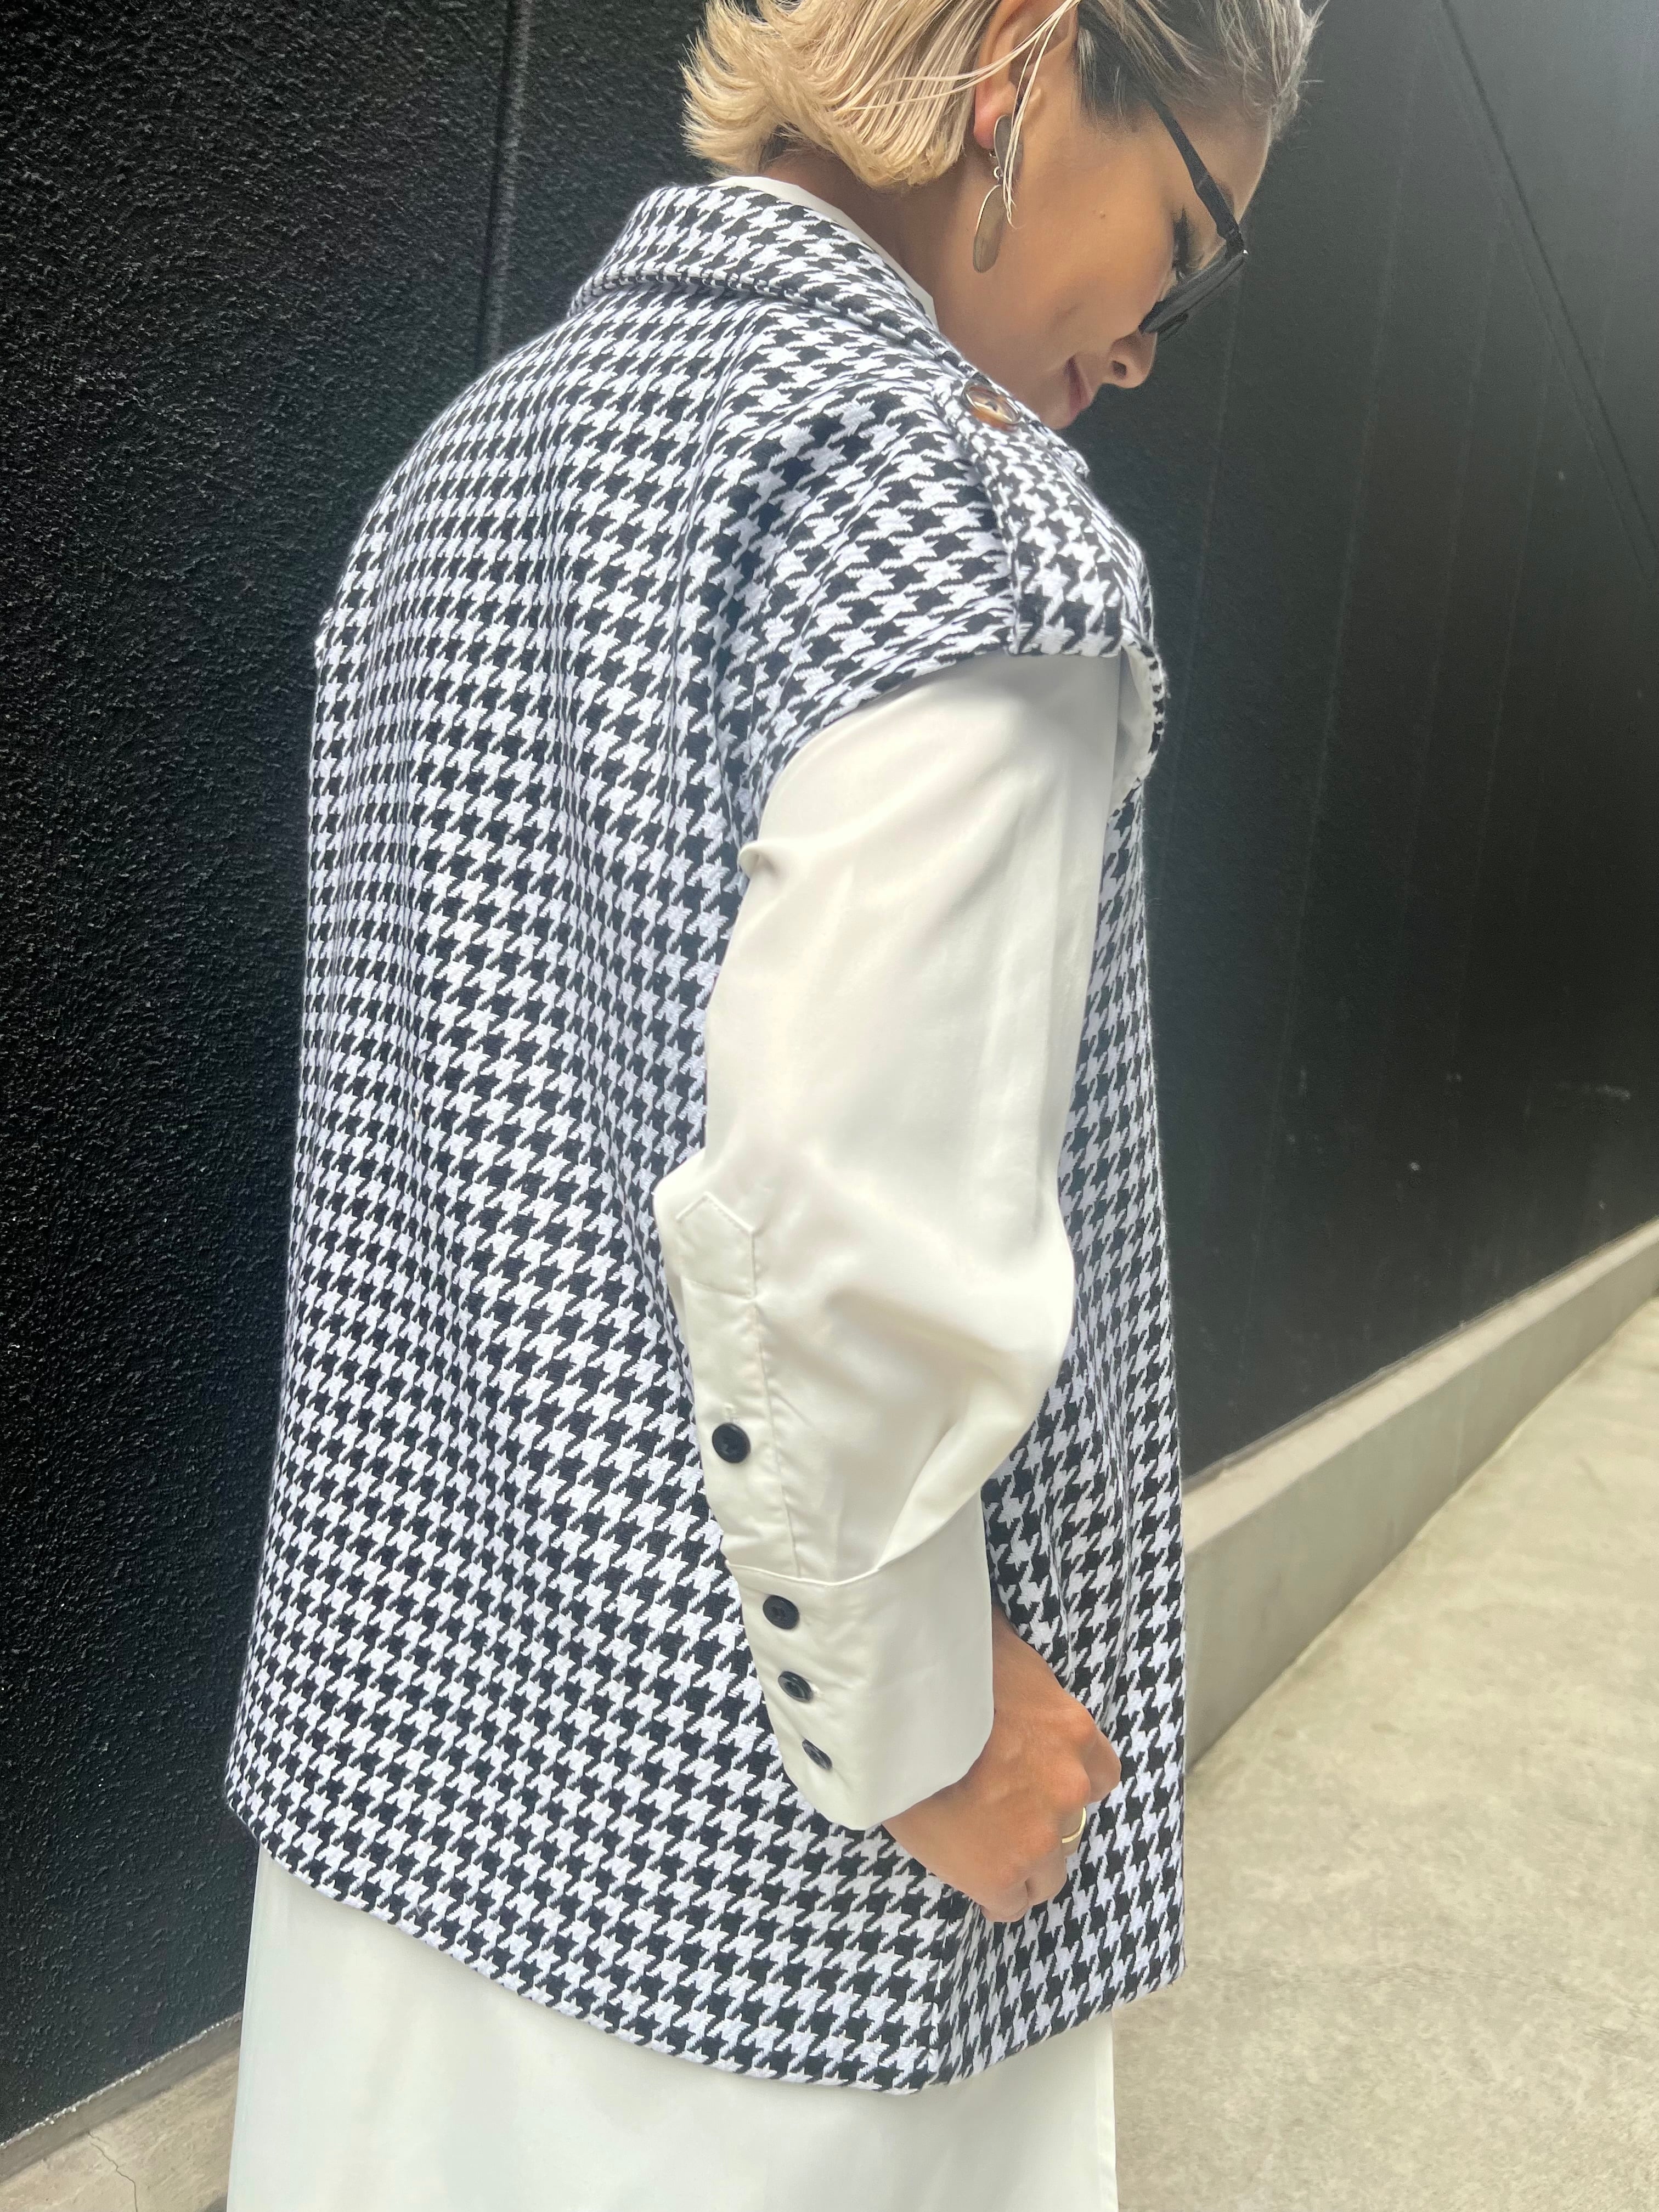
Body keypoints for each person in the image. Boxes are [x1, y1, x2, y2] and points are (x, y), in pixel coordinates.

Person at [224, 1, 1314, 2205]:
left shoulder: (461, 472)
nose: (1145, 344)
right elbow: (849, 1215)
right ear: (1022, 65)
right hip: (771, 1886)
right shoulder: (952, 517)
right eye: (1187, 239)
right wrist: (916, 1724)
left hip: (397, 1798)